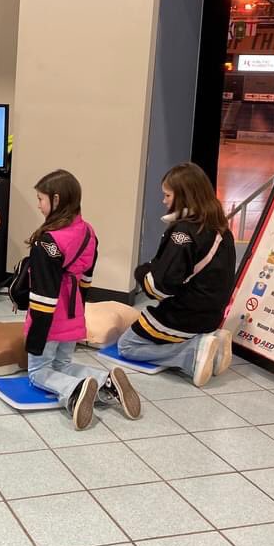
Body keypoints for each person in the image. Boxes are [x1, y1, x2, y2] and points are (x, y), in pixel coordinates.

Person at [24, 170, 141, 429]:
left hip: (50, 315)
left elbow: (43, 295)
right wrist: (79, 308)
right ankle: (104, 380)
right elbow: (86, 278)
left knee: (38, 372)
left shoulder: (47, 241)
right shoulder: (88, 231)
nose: (38, 205)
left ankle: (75, 389)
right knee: (62, 363)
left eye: (41, 199)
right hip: (74, 308)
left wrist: (36, 336)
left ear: (56, 200)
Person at [117, 162, 236, 387]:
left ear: (184, 196)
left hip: (186, 315)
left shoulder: (183, 232)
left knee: (127, 345)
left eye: (168, 195)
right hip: (212, 315)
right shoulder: (221, 228)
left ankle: (192, 353)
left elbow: (160, 286)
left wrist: (140, 272)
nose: (164, 201)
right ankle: (210, 342)